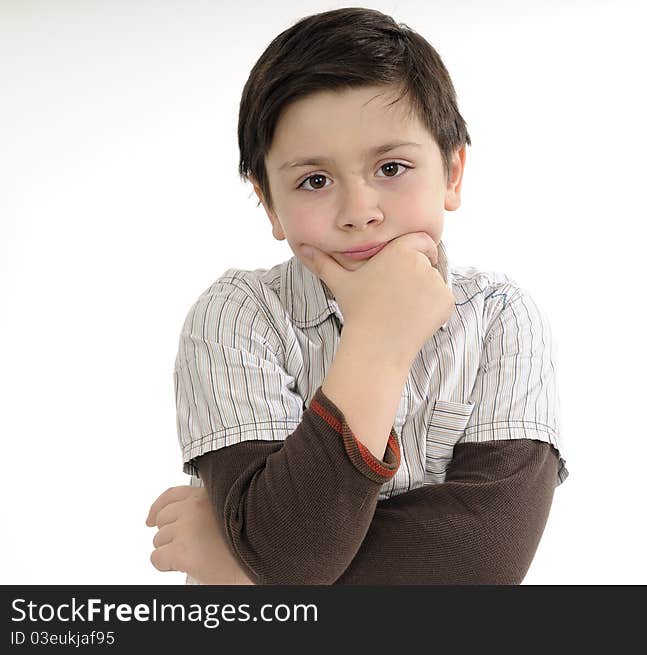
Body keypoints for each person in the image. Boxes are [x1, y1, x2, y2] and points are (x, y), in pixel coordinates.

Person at [145, 6, 569, 585]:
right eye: (314, 181)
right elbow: (291, 556)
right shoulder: (236, 317)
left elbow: (479, 569)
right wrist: (379, 341)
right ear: (269, 203)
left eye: (392, 167)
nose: (359, 213)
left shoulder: (501, 321)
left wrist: (241, 565)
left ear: (452, 172)